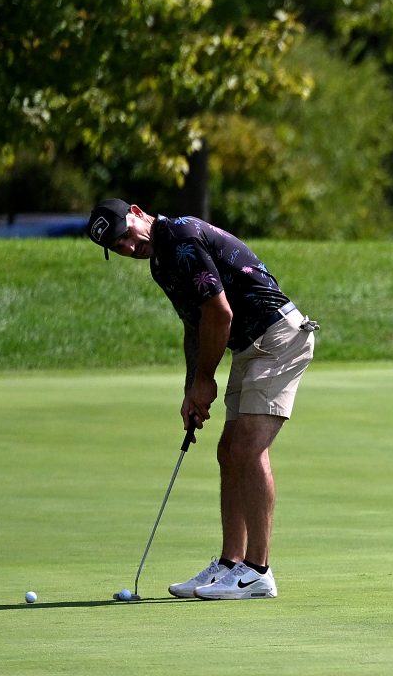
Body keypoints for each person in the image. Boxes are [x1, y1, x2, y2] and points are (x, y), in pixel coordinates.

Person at [86, 197, 316, 600]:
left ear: (137, 213)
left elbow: (219, 313)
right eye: (118, 247)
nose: (129, 247)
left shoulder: (180, 237)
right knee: (228, 451)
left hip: (279, 339)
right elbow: (194, 325)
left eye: (127, 235)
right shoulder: (161, 262)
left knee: (247, 449)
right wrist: (191, 388)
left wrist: (206, 379)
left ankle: (258, 572)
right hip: (251, 346)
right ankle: (230, 564)